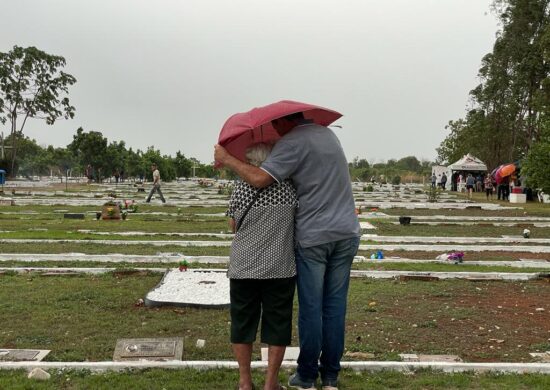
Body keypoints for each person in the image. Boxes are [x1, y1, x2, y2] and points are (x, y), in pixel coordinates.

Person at [215, 112, 361, 390]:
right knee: (335, 307)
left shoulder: (291, 143)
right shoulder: (329, 135)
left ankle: (305, 375)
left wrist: (227, 158)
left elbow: (258, 179)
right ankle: (329, 375)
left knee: (311, 308)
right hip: (346, 232)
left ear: (282, 122)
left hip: (314, 238)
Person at [227, 143, 298, 390]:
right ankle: (271, 383)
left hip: (243, 267)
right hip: (280, 267)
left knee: (242, 324)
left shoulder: (240, 188)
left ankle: (245, 381)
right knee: (277, 325)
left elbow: (233, 225)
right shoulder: (289, 187)